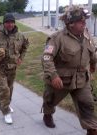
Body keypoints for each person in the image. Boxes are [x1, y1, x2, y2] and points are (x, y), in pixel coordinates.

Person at [41, 5, 97, 135]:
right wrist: (54, 76)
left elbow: (92, 51)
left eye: (84, 21)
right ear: (71, 24)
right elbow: (46, 57)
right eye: (80, 21)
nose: (84, 23)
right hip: (61, 80)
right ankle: (47, 115)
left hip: (82, 79)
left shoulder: (86, 34)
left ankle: (92, 129)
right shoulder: (57, 38)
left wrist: (93, 64)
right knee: (50, 101)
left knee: (87, 104)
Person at [0, 13, 29, 124]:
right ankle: (6, 111)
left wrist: (21, 58)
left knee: (9, 88)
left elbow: (25, 46)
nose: (10, 24)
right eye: (8, 22)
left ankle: (5, 104)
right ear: (4, 23)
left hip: (12, 68)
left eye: (12, 22)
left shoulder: (19, 35)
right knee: (4, 89)